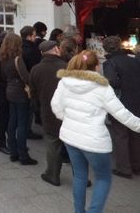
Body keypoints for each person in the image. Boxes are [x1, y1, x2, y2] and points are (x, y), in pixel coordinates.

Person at [51, 51, 140, 213]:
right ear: (96, 66)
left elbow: (56, 107)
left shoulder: (64, 82)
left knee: (79, 176)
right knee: (104, 178)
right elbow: (122, 114)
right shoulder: (102, 87)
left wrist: (69, 119)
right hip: (94, 141)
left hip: (70, 137)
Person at [29, 40, 68, 185]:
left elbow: (32, 92)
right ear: (56, 50)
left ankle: (53, 175)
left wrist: (38, 107)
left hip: (48, 110)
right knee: (73, 144)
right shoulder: (66, 66)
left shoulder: (36, 69)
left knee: (53, 143)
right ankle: (81, 177)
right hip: (68, 110)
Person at [101, 36, 140, 178]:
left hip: (121, 103)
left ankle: (124, 169)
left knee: (121, 136)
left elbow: (112, 82)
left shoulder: (109, 63)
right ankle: (137, 165)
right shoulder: (134, 59)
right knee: (136, 134)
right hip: (137, 101)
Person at [0, 32, 38, 165]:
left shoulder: (3, 58)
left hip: (10, 91)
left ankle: (13, 152)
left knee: (12, 122)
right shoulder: (17, 59)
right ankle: (23, 154)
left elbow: (4, 76)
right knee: (22, 124)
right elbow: (26, 77)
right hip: (21, 93)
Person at [20, 25, 43, 139]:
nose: (35, 38)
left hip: (22, 82)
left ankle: (25, 129)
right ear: (29, 36)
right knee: (30, 107)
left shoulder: (20, 47)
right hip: (30, 82)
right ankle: (27, 131)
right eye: (34, 35)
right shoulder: (32, 50)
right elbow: (35, 66)